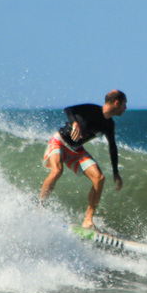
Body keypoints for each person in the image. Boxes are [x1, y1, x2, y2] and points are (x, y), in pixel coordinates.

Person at [40, 90, 128, 229]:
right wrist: (74, 123)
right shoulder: (92, 109)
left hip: (76, 149)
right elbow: (69, 110)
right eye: (124, 104)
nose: (125, 108)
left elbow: (113, 148)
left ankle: (88, 220)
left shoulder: (109, 124)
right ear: (117, 103)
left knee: (99, 178)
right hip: (59, 141)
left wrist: (116, 173)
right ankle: (40, 206)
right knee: (57, 171)